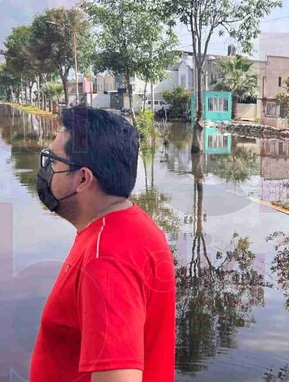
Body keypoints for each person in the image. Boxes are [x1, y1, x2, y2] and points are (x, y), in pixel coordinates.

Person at [30, 106, 175, 382]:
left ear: (83, 178)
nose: (46, 171)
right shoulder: (126, 226)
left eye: (54, 162)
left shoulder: (107, 258)